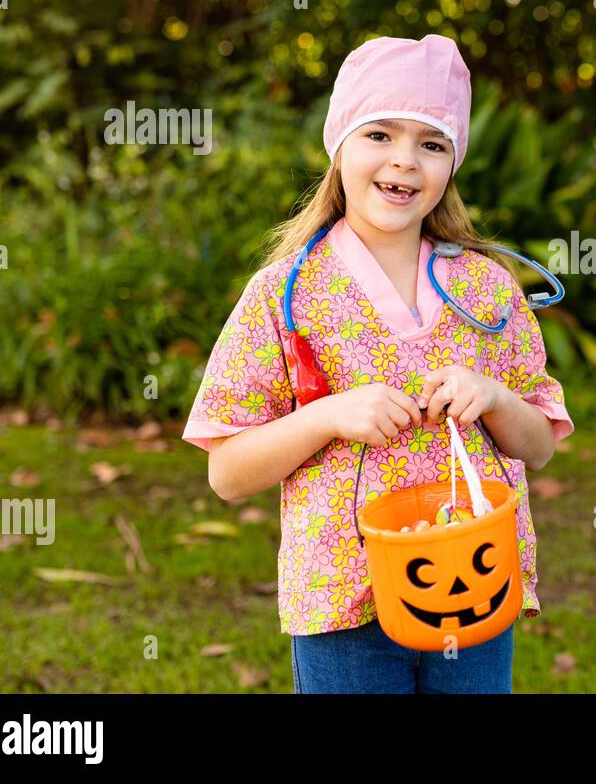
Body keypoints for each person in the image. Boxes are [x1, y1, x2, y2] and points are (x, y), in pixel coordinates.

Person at [181, 34, 574, 693]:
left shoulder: (486, 290)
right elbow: (227, 472)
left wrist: (497, 398)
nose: (404, 160)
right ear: (340, 144)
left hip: (472, 585)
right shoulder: (287, 296)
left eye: (432, 142)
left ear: (452, 163)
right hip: (343, 603)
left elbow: (539, 447)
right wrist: (328, 415)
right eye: (380, 133)